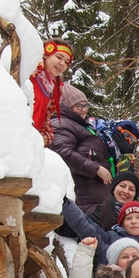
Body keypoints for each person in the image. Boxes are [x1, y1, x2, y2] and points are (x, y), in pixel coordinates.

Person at [50, 84, 114, 213]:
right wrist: (95, 168)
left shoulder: (79, 126)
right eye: (79, 106)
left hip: (95, 204)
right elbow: (62, 154)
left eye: (86, 105)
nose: (84, 110)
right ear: (65, 106)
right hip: (85, 205)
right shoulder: (62, 124)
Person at [29, 39, 72, 145]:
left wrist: (44, 137)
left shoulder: (53, 89)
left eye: (66, 62)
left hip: (27, 142)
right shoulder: (31, 73)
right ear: (45, 55)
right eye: (59, 57)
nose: (62, 64)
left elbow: (45, 121)